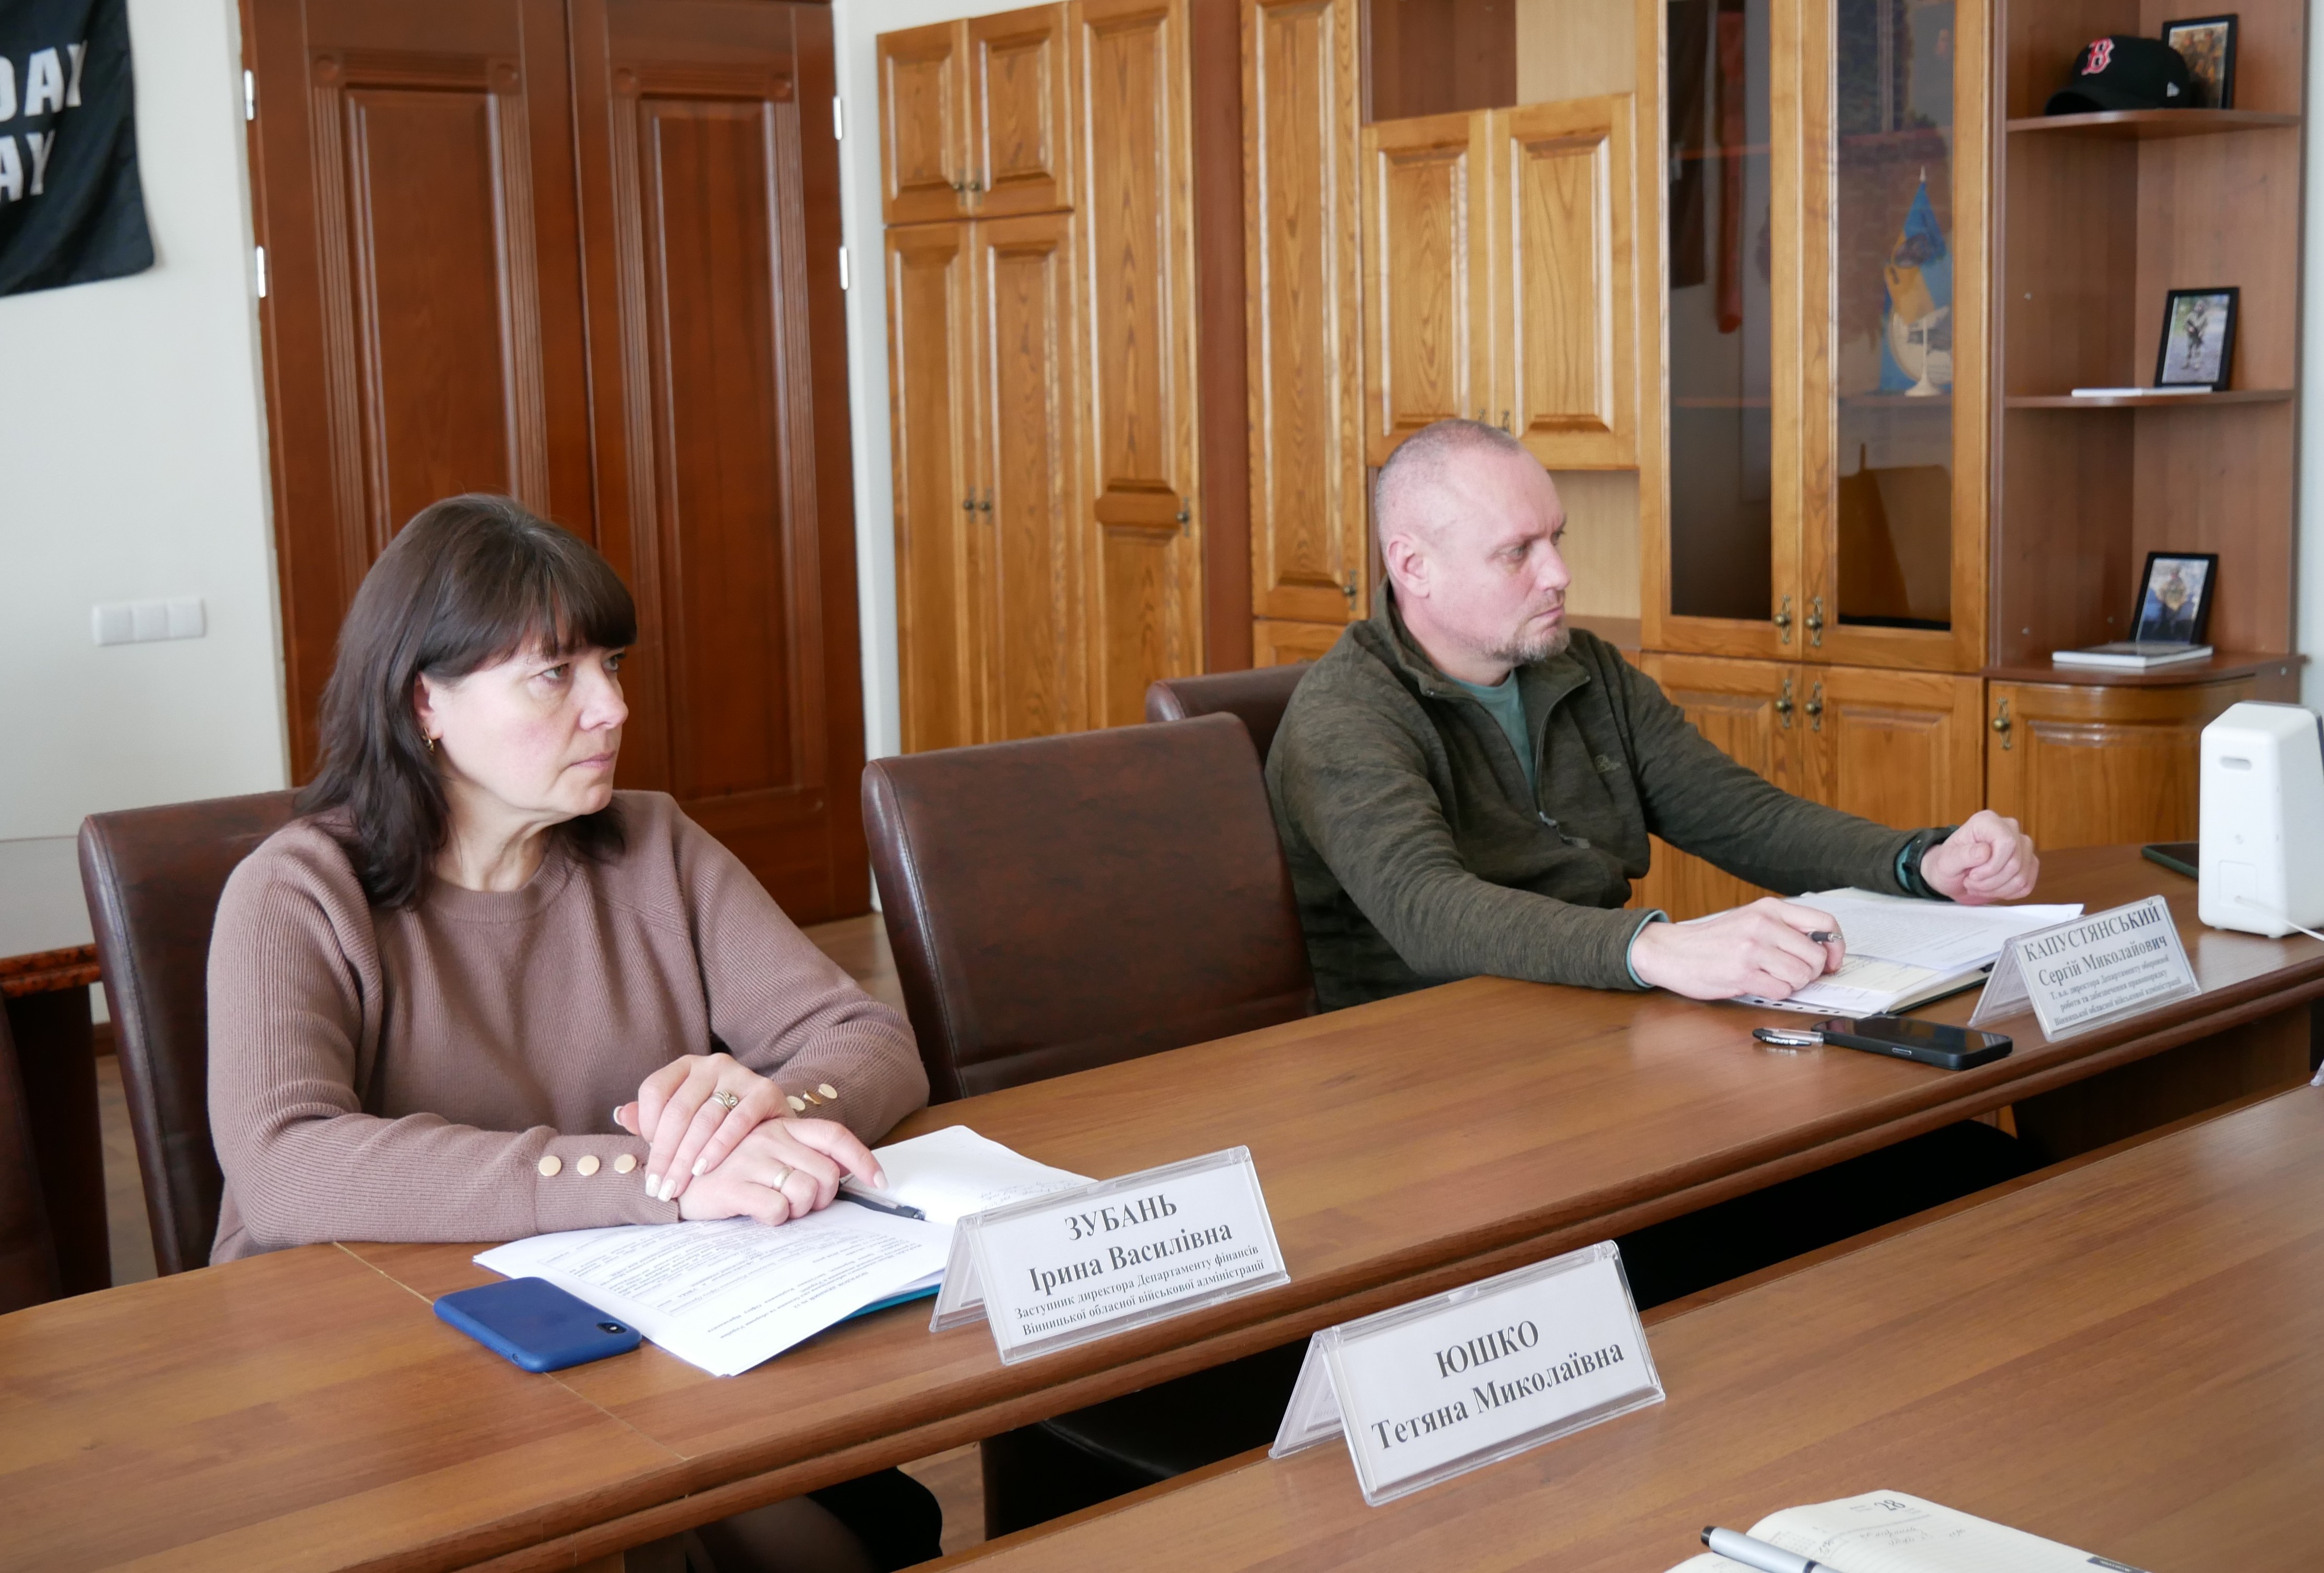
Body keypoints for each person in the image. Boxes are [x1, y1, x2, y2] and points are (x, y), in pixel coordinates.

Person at [207, 496, 939, 1573]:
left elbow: (863, 1035)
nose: (612, 707)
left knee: (837, 1513)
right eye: (554, 674)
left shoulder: (653, 842)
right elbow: (284, 1165)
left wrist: (761, 1112)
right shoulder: (296, 892)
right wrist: (655, 1177)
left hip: (646, 1327)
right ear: (423, 702)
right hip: (374, 1373)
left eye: (612, 664)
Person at [1268, 417, 2041, 1011]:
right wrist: (1658, 949)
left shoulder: (1582, 669)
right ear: (1413, 566)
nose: (1560, 573)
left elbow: (1742, 818)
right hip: (1425, 1051)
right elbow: (1428, 911)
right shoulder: (1344, 714)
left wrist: (1918, 862)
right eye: (1517, 551)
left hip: (1588, 1010)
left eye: (1556, 538)